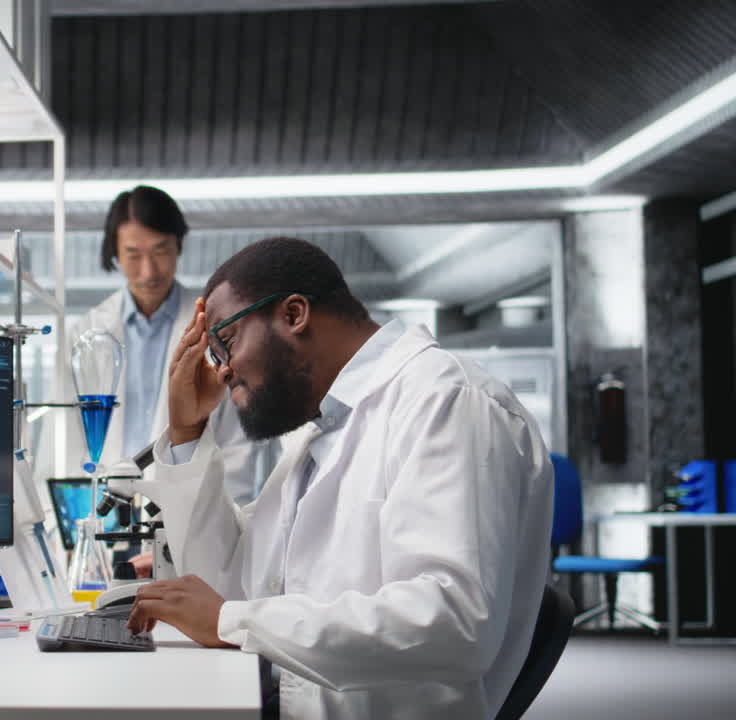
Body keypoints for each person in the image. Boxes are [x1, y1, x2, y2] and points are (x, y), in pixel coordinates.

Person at [125, 237, 554, 719]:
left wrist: (233, 621)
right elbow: (234, 583)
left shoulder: (447, 402)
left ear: (293, 314)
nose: (222, 372)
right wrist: (186, 430)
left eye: (226, 342)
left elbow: (453, 621)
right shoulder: (322, 430)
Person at [40, 185, 271, 505]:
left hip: (190, 509)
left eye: (160, 251)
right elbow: (61, 439)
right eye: (134, 255)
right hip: (104, 511)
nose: (148, 271)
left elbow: (236, 444)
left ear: (178, 245)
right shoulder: (86, 334)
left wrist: (225, 520)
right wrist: (66, 518)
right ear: (115, 253)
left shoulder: (218, 330)